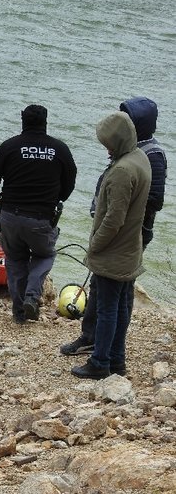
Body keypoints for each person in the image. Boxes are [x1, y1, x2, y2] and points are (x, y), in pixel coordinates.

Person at [61, 97, 167, 358]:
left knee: (113, 294)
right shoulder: (133, 152)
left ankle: (100, 348)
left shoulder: (149, 155)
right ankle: (104, 346)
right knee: (109, 292)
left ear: (138, 124)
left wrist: (104, 237)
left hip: (127, 234)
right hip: (121, 231)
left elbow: (152, 200)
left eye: (128, 119)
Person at [0, 104, 77, 323]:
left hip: (11, 217)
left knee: (15, 259)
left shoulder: (10, 147)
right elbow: (70, 182)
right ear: (45, 122)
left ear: (22, 120)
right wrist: (55, 198)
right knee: (45, 255)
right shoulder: (59, 149)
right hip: (42, 218)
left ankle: (19, 311)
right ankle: (32, 295)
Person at [71, 111, 151, 379]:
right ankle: (117, 360)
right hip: (131, 249)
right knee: (122, 306)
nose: (105, 147)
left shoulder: (121, 171)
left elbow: (113, 220)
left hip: (113, 253)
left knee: (106, 310)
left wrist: (94, 246)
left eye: (107, 142)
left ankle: (100, 362)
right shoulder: (141, 158)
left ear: (116, 140)